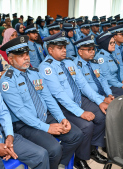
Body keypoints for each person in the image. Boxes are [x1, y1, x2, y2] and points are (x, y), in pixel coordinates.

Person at [0, 35, 83, 169]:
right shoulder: (7, 82)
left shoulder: (34, 72)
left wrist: (61, 118)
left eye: (27, 54)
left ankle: (60, 164)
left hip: (44, 116)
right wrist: (47, 128)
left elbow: (48, 98)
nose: (26, 57)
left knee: (76, 134)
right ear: (10, 59)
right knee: (54, 149)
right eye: (21, 55)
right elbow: (21, 113)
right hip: (25, 124)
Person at [39, 32, 108, 169]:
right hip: (62, 106)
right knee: (86, 125)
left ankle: (91, 149)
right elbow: (59, 95)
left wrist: (99, 100)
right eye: (60, 48)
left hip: (78, 99)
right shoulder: (46, 67)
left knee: (101, 115)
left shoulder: (69, 62)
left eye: (64, 47)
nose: (64, 50)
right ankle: (80, 158)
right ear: (50, 50)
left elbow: (83, 85)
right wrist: (81, 112)